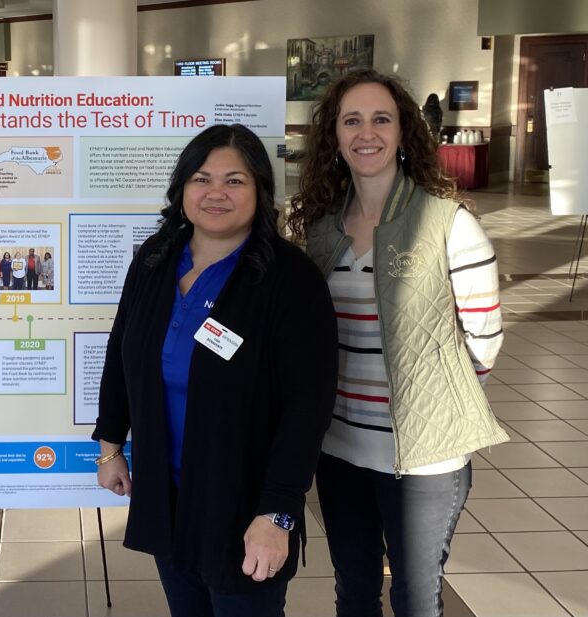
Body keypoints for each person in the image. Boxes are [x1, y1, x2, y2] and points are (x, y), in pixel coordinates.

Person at [288, 69, 509, 617]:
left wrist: (435, 397)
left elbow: (484, 340)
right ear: (334, 137)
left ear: (403, 131)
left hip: (425, 460)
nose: (367, 132)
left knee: (415, 599)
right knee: (354, 592)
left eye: (381, 119)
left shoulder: (448, 223)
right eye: (352, 120)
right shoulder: (320, 230)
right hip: (339, 451)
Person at [94, 124, 338, 617]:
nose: (216, 193)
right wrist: (109, 447)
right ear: (182, 188)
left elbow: (307, 408)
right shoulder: (154, 260)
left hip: (243, 501)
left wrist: (278, 512)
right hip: (168, 495)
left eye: (235, 180)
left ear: (260, 191)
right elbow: (122, 349)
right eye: (202, 178)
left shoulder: (290, 278)